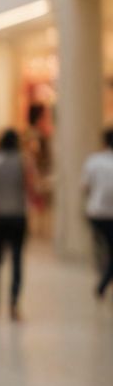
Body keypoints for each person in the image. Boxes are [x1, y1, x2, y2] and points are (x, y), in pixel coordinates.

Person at [0, 128, 37, 320]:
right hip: (17, 215)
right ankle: (14, 305)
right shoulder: (23, 160)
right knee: (17, 260)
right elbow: (32, 186)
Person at [83, 127, 113, 300]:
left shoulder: (93, 161)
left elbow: (85, 187)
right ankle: (104, 280)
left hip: (96, 212)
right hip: (107, 214)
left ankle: (103, 280)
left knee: (102, 249)